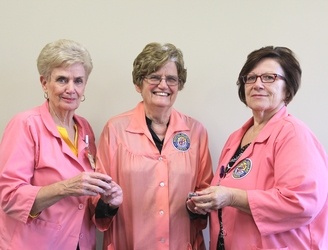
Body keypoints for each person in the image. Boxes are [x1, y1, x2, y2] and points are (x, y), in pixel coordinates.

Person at [188, 46, 328, 250]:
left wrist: (231, 196)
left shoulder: (294, 134)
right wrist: (205, 203)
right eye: (251, 78)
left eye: (269, 77)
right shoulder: (236, 138)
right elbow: (224, 194)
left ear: (287, 89)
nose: (258, 84)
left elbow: (301, 202)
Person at [0, 39, 123, 250]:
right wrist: (65, 188)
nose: (71, 89)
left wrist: (108, 201)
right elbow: (9, 197)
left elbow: (85, 202)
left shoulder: (84, 128)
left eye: (78, 81)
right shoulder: (25, 125)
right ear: (44, 82)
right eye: (62, 80)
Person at [96, 42, 213, 250]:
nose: (163, 85)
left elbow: (205, 191)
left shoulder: (196, 132)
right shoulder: (115, 129)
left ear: (179, 85)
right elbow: (98, 196)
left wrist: (198, 205)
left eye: (171, 79)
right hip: (130, 243)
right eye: (154, 77)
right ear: (138, 84)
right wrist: (108, 202)